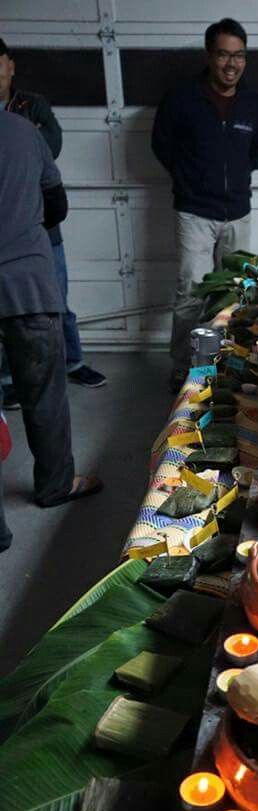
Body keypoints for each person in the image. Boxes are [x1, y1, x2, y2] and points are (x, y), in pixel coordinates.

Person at [0, 109, 102, 553]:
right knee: (43, 390)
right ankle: (56, 485)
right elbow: (56, 203)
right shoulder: (22, 131)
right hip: (27, 285)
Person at [152, 17, 258, 390]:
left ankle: (225, 361)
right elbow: (162, 145)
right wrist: (191, 180)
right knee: (191, 292)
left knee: (234, 291)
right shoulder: (182, 98)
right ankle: (183, 365)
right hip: (195, 212)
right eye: (223, 55)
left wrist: (232, 180)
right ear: (210, 56)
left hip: (238, 211)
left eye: (239, 56)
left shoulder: (253, 103)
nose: (231, 64)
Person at [0, 38, 106, 411]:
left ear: (10, 65)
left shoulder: (32, 106)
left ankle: (72, 362)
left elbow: (52, 146)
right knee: (9, 313)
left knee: (55, 301)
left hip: (42, 230)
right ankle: (10, 379)